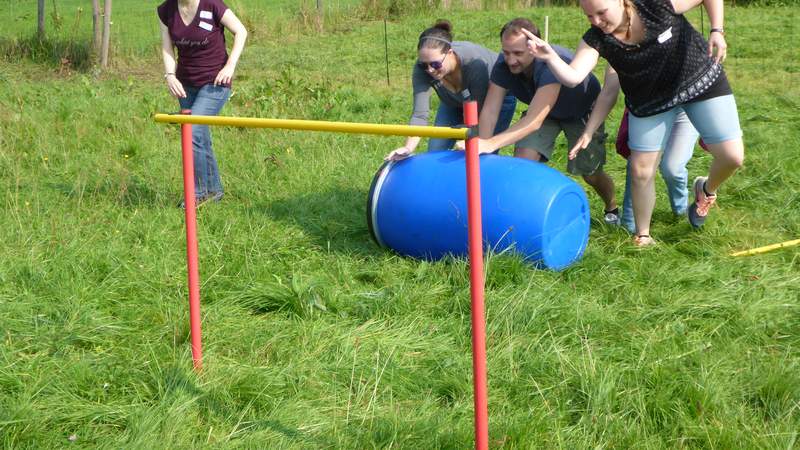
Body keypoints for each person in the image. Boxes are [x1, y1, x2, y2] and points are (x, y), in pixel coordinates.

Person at [525, 0, 744, 246]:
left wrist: (717, 30)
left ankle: (706, 190)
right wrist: (550, 57)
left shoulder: (655, 5)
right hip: (649, 102)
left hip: (699, 81)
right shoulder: (597, 38)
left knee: (732, 157)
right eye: (589, 16)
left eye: (601, 12)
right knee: (641, 170)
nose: (597, 21)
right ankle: (643, 235)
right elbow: (574, 77)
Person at [473, 18, 619, 225]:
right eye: (506, 52)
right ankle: (526, 215)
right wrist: (483, 146)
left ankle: (611, 206)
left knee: (590, 173)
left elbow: (533, 122)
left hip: (582, 112)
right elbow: (490, 110)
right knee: (524, 163)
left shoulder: (549, 64)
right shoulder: (503, 64)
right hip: (545, 112)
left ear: (534, 48)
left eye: (518, 54)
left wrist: (491, 143)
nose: (511, 60)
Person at [575, 66, 700, 234]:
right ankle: (629, 223)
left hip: (684, 109)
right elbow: (609, 92)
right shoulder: (618, 51)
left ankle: (681, 209)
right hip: (648, 110)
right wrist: (589, 131)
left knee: (672, 168)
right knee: (637, 167)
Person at [158, 0, 247, 207]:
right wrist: (170, 75)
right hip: (185, 85)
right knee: (200, 138)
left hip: (215, 82)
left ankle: (198, 194)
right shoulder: (166, 10)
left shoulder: (212, 4)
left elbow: (241, 32)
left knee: (193, 132)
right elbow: (167, 47)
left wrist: (230, 66)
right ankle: (213, 191)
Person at [385, 20, 517, 161]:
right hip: (454, 102)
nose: (430, 70)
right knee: (435, 150)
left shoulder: (474, 63)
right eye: (425, 65)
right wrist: (408, 148)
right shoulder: (421, 69)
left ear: (450, 52)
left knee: (481, 154)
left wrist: (465, 136)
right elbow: (419, 115)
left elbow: (478, 117)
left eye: (435, 64)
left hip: (492, 103)